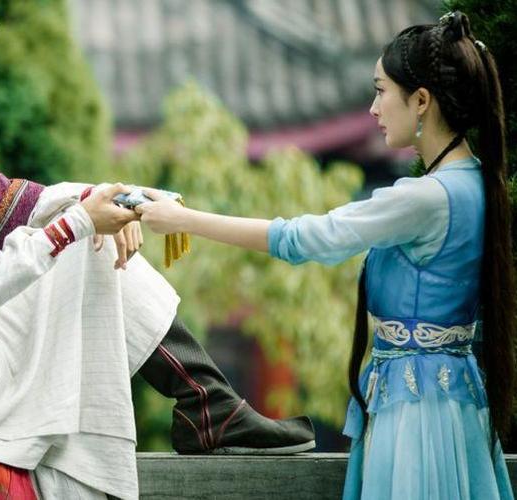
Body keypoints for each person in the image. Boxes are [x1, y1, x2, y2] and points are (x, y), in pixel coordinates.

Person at [0, 2, 314, 499]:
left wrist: (122, 198)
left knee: (87, 235)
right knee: (85, 239)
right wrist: (85, 221)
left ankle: (208, 402)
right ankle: (208, 403)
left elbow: (29, 202)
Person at [137, 11, 515, 500]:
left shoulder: (426, 199)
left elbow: (305, 238)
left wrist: (185, 220)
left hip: (415, 415)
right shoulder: (478, 184)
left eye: (381, 91)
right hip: (456, 404)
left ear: (421, 101)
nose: (373, 109)